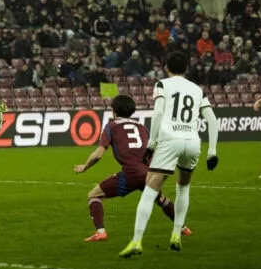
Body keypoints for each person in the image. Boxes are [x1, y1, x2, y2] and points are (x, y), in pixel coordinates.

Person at [119, 51, 219, 257]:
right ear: (187, 69)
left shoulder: (162, 85)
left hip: (170, 139)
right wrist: (212, 151)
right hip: (192, 142)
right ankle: (176, 234)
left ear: (166, 68)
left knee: (150, 189)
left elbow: (157, 113)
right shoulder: (197, 89)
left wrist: (152, 142)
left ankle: (137, 241)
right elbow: (212, 120)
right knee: (183, 188)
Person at [74, 94, 192, 242]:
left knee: (94, 195)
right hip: (148, 172)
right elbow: (153, 150)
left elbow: (98, 155)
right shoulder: (142, 127)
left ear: (114, 111)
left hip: (131, 174)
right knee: (161, 199)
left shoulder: (111, 126)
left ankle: (100, 232)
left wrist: (85, 167)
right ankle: (183, 228)